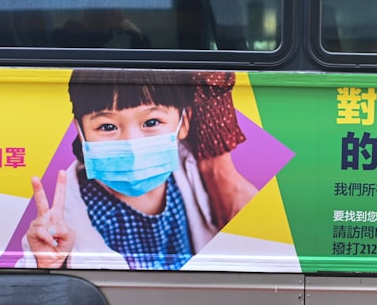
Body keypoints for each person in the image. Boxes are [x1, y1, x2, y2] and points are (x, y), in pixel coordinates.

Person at [20, 69, 256, 270]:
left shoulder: (200, 175)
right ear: (80, 132)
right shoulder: (62, 216)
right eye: (107, 126)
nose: (131, 144)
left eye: (151, 122)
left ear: (183, 123)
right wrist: (49, 265)